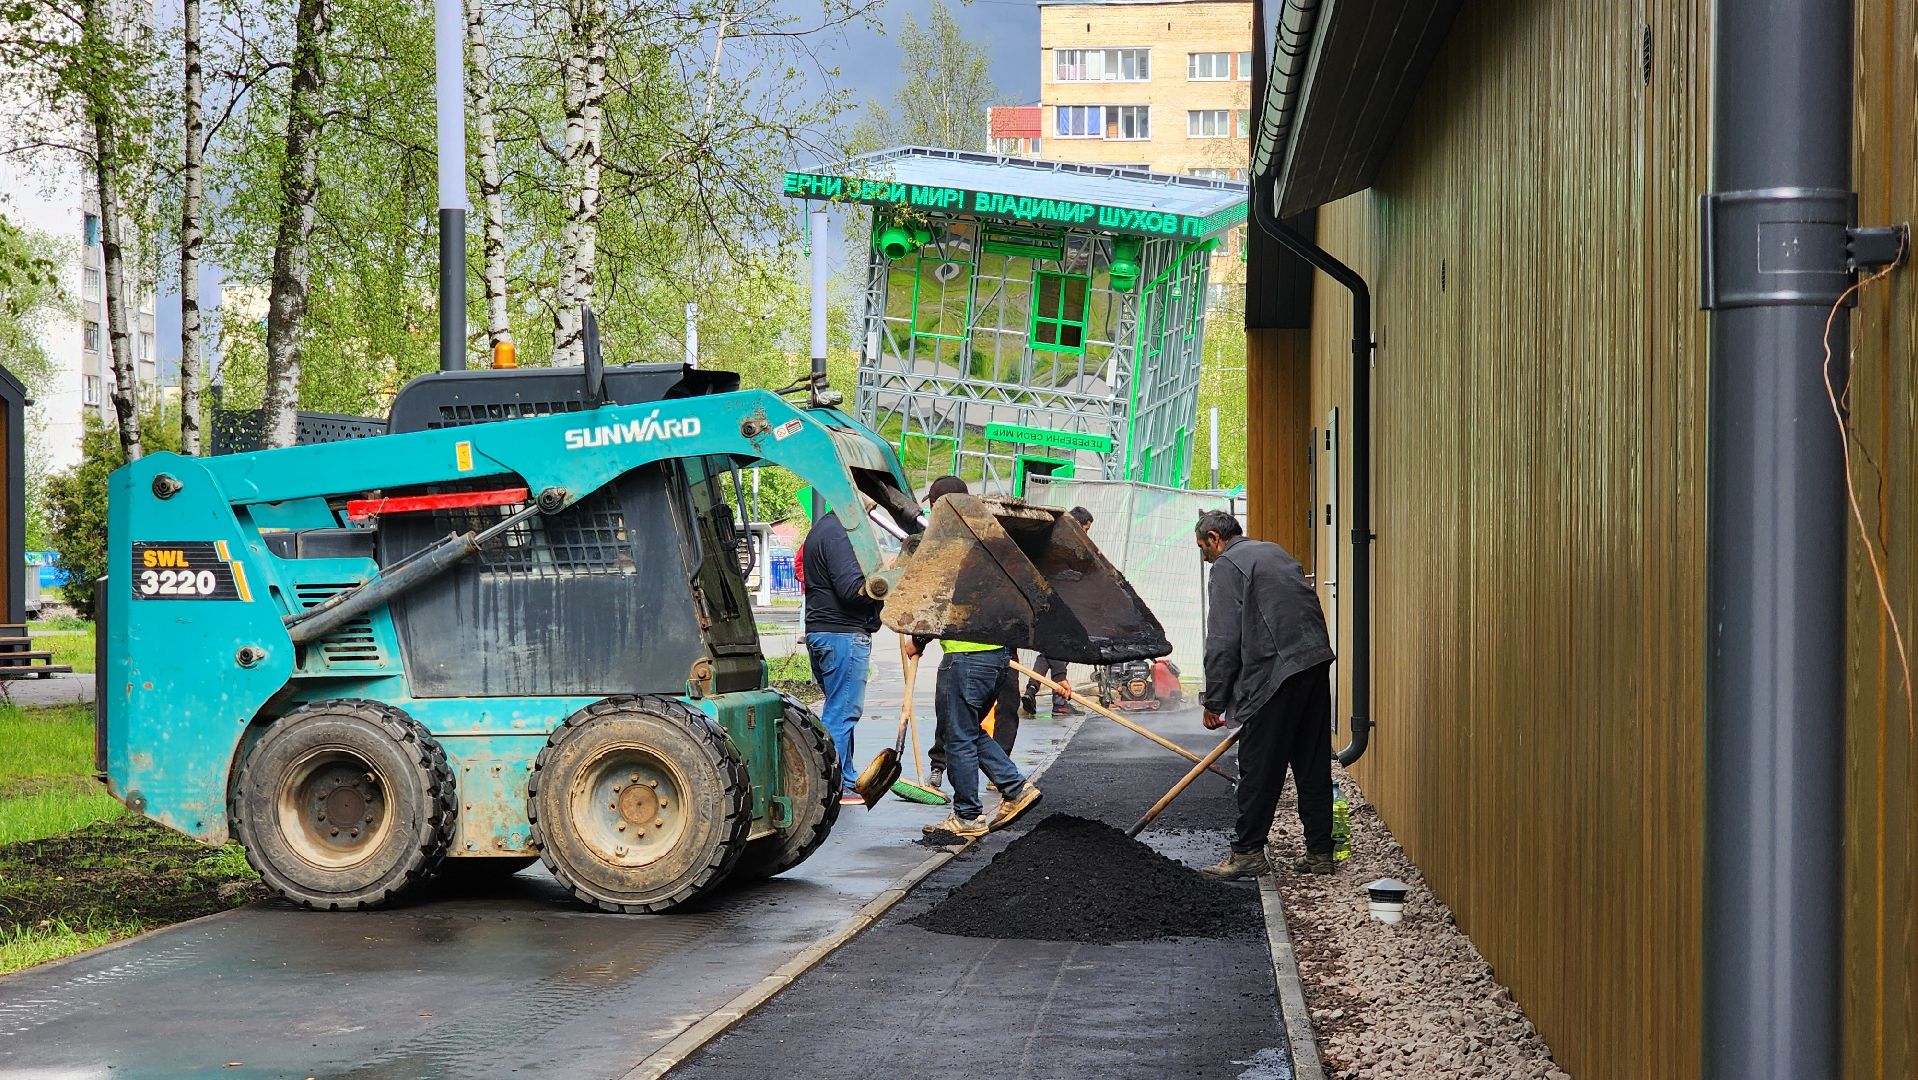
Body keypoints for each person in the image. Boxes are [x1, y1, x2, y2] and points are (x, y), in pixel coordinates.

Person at [1191, 509, 1338, 880]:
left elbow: (1223, 638)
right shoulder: (1274, 552)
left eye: (1203, 548)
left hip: (1276, 673)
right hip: (1314, 663)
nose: (1205, 556)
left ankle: (1248, 853)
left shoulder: (1227, 566)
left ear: (1214, 538)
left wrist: (1214, 700)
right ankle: (1321, 853)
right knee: (1311, 762)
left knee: (1260, 766)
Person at [909, 475, 1043, 838]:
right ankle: (1015, 789)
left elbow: (940, 602)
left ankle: (967, 816)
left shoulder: (951, 545)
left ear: (941, 505)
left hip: (965, 659)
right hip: (997, 657)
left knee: (959, 738)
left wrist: (917, 637)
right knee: (966, 732)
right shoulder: (989, 542)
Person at [801, 492, 883, 805]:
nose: (871, 515)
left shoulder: (824, 529)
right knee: (842, 713)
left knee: (839, 708)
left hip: (827, 633)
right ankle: (831, 787)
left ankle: (845, 778)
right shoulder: (840, 534)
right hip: (843, 635)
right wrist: (884, 584)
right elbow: (853, 589)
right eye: (871, 507)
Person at [1021, 505, 1095, 717]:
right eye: (1086, 529)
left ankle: (1031, 690)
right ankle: (1060, 700)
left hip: (1046, 602)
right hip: (1058, 603)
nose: (1086, 534)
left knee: (1047, 651)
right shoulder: (1065, 543)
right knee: (1062, 646)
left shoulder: (1055, 539)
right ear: (1077, 524)